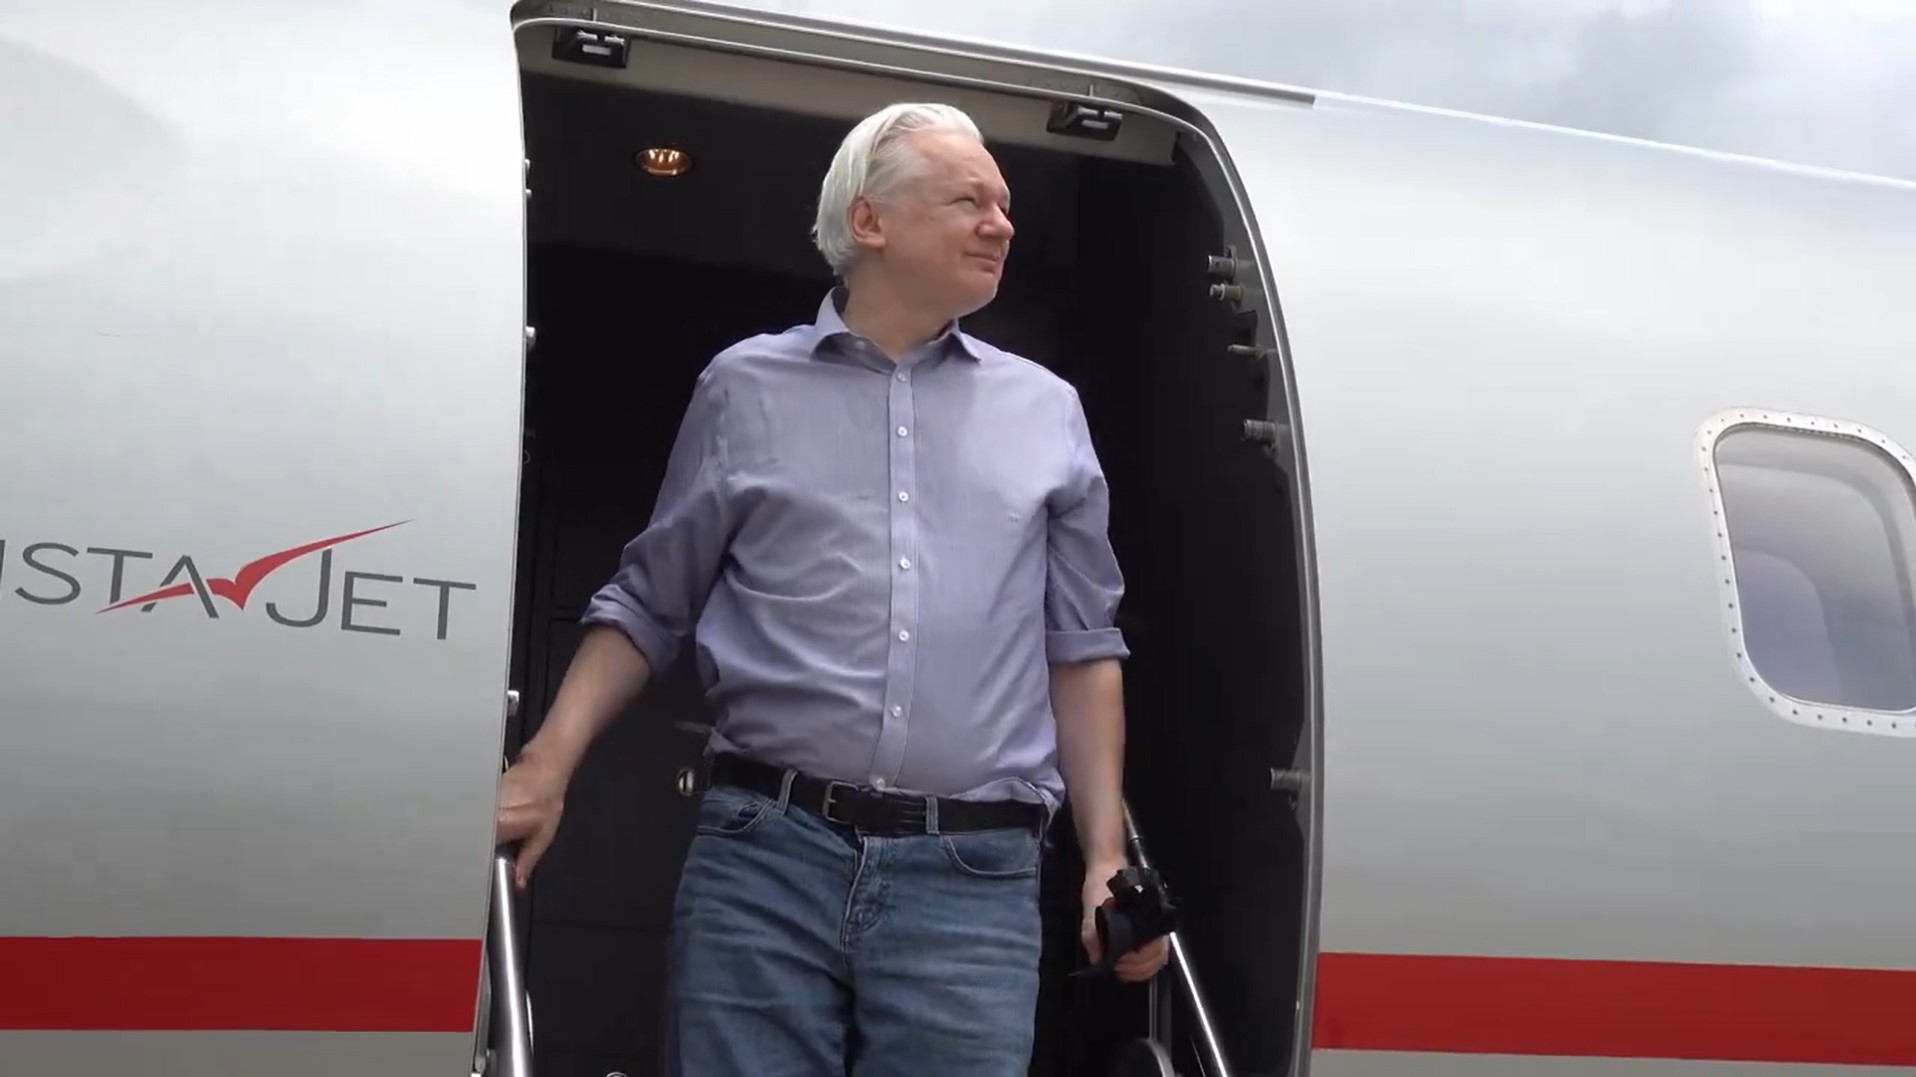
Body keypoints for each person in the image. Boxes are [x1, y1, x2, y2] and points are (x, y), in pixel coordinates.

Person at [494, 100, 1169, 1076]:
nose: (1000, 222)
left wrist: (1105, 856)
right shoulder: (743, 389)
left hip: (972, 877)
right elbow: (648, 600)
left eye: (1006, 203)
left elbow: (1081, 645)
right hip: (763, 858)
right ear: (869, 222)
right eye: (967, 199)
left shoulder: (1046, 412)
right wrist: (544, 765)